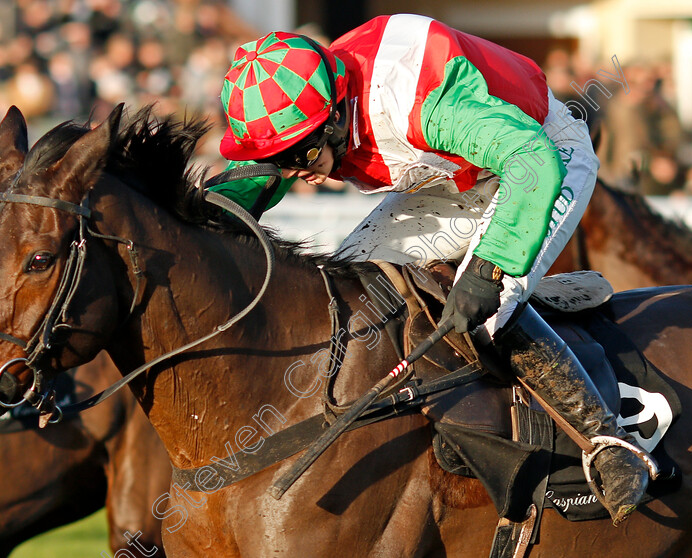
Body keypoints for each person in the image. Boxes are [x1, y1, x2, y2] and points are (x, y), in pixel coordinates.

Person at [214, 14, 653, 526]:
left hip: (540, 155)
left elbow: (530, 161)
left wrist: (488, 270)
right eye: (284, 157)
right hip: (456, 173)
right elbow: (252, 178)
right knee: (355, 285)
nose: (297, 172)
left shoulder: (417, 103)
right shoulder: (307, 93)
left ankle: (609, 441)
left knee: (490, 309)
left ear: (335, 116)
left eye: (303, 153)